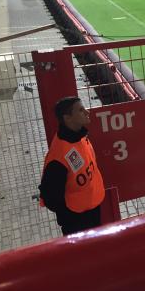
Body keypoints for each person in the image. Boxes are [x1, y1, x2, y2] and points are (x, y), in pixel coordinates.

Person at [39, 97, 105, 236]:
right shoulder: (59, 157)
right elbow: (50, 197)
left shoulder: (80, 136)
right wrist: (69, 216)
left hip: (92, 208)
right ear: (67, 118)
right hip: (77, 220)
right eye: (81, 110)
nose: (87, 112)